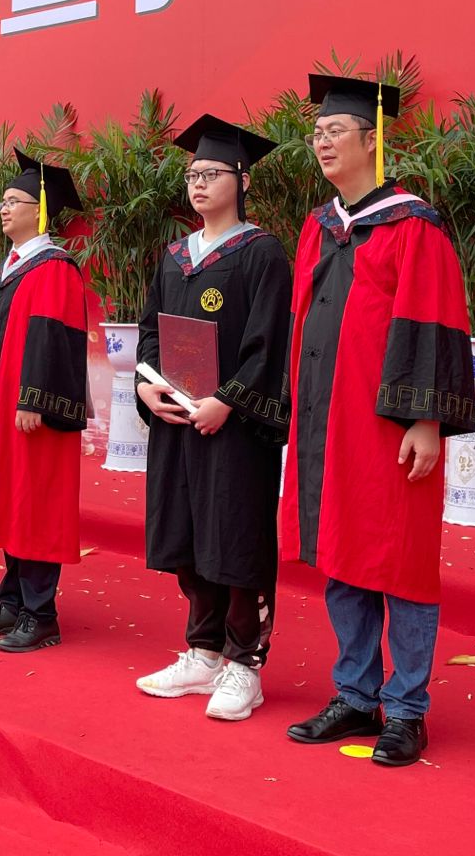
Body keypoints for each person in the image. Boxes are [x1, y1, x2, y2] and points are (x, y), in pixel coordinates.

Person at [280, 74, 475, 768]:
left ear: (373, 139)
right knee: (343, 553)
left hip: (389, 428)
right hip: (327, 423)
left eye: (335, 131)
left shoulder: (412, 226)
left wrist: (427, 420)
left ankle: (408, 710)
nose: (322, 142)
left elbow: (434, 320)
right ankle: (356, 694)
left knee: (400, 561)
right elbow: (300, 324)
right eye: (317, 133)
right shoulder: (319, 227)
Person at [132, 115, 293, 721]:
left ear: (242, 179)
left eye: (211, 174)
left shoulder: (261, 253)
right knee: (186, 531)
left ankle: (244, 662)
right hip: (178, 419)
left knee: (235, 535)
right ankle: (202, 653)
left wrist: (228, 400)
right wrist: (148, 387)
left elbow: (268, 343)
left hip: (236, 427)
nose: (198, 184)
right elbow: (150, 332)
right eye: (193, 175)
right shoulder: (175, 256)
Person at [0, 151, 91, 654]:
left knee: (34, 502)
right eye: (2, 201)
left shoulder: (53, 267)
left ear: (40, 210)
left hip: (33, 413)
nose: (3, 209)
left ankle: (41, 613)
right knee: (11, 500)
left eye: (14, 201)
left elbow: (52, 337)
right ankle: (12, 601)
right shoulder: (9, 267)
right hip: (2, 408)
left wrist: (34, 398)